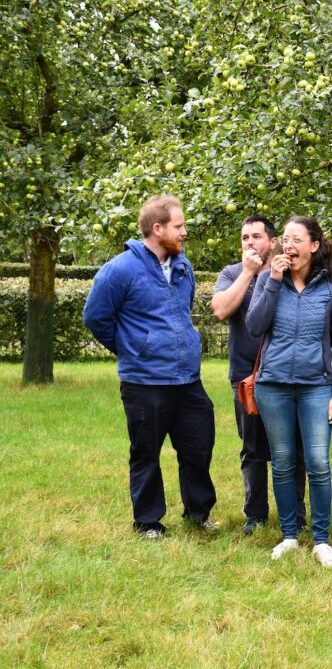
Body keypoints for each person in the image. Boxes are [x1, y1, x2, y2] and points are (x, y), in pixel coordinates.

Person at [83, 194, 217, 538]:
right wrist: (134, 348)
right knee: (146, 453)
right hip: (145, 382)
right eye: (179, 225)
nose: (185, 232)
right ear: (157, 229)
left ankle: (198, 513)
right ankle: (148, 521)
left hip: (188, 379)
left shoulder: (183, 266)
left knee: (198, 447)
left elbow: (181, 311)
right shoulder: (120, 269)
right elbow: (96, 317)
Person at [246, 216, 332, 567]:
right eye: (284, 240)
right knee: (284, 463)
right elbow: (254, 325)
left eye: (295, 239)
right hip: (272, 385)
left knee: (319, 463)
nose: (287, 245)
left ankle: (321, 540)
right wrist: (274, 281)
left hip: (316, 388)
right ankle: (290, 535)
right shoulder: (267, 279)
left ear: (313, 246)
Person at [211, 215, 307, 536]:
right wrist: (249, 273)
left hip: (286, 376)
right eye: (244, 238)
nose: (249, 242)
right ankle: (256, 515)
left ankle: (295, 514)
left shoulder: (289, 273)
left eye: (255, 236)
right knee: (252, 448)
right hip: (246, 378)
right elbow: (221, 309)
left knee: (293, 448)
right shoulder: (232, 274)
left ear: (272, 241)